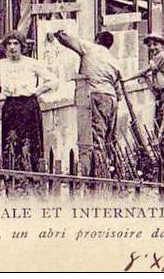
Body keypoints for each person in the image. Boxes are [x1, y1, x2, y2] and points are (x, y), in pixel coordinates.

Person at [0, 31, 57, 171]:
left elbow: (53, 80)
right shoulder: (0, 65)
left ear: (22, 46)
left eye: (16, 43)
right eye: (9, 44)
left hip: (29, 107)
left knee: (30, 144)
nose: (12, 47)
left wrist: (37, 92)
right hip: (10, 107)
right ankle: (13, 178)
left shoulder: (32, 63)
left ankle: (34, 177)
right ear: (5, 47)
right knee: (11, 144)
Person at [49, 28, 122, 177]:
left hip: (95, 96)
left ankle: (97, 175)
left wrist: (57, 33)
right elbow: (119, 90)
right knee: (108, 137)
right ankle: (110, 171)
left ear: (96, 40)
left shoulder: (91, 48)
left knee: (94, 137)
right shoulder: (113, 61)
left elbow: (67, 39)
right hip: (111, 99)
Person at [125, 33, 164, 180]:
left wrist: (126, 78)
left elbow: (145, 70)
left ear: (162, 45)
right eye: (149, 45)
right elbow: (156, 89)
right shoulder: (159, 65)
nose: (152, 48)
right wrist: (147, 80)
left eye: (155, 44)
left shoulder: (162, 57)